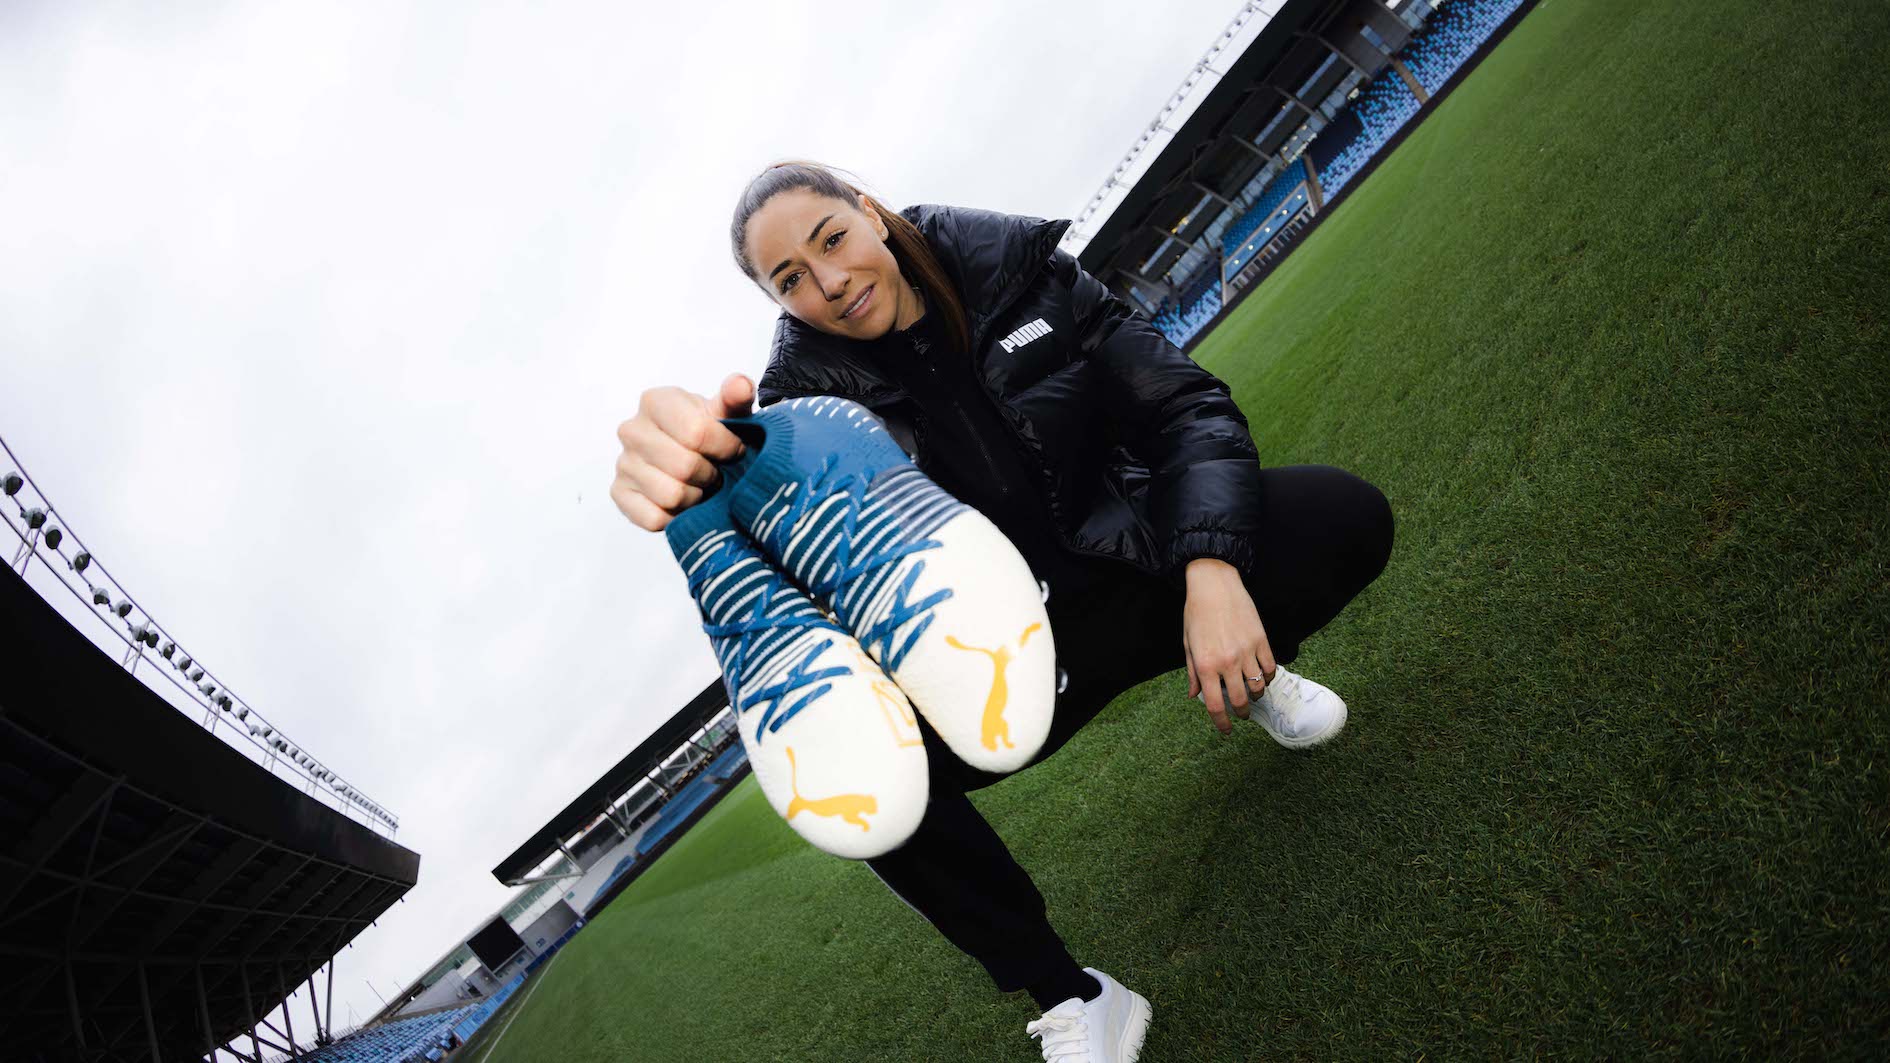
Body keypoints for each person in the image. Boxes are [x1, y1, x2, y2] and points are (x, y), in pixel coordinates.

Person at [611, 161, 1394, 1062]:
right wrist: (701, 477)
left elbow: (1184, 406)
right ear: (775, 302)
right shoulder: (799, 422)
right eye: (790, 278)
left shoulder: (1027, 274)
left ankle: (1251, 671)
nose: (827, 280)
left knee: (1341, 513)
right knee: (863, 780)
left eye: (832, 239)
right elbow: (819, 565)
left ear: (870, 213)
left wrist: (1211, 570)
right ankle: (1075, 996)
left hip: (1144, 571)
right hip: (1007, 668)